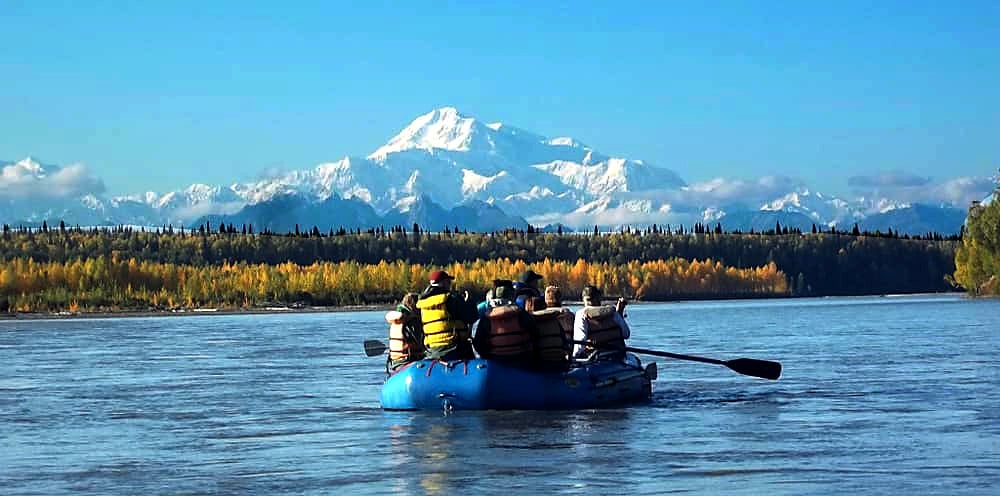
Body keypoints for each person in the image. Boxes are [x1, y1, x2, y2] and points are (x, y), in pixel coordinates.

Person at [417, 270, 478, 361]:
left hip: (432, 350)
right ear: (443, 283)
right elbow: (472, 317)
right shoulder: (451, 299)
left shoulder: (422, 303)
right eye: (448, 282)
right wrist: (469, 302)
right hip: (455, 348)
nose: (449, 285)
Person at [473, 283, 536, 365]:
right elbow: (535, 335)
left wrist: (488, 356)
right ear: (511, 296)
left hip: (496, 361)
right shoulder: (521, 313)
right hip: (521, 360)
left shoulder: (486, 318)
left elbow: (478, 344)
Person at [572, 285, 631, 361]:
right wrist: (619, 314)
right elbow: (626, 334)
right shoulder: (613, 312)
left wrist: (573, 357)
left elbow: (580, 342)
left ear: (584, 299)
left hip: (595, 358)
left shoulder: (581, 314)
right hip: (618, 355)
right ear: (599, 298)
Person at [525, 295, 570, 370]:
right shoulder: (554, 321)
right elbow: (564, 342)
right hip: (559, 361)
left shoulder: (530, 322)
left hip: (540, 362)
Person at [385, 292, 424, 373]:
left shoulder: (396, 320)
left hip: (396, 363)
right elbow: (421, 344)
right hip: (409, 361)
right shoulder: (412, 321)